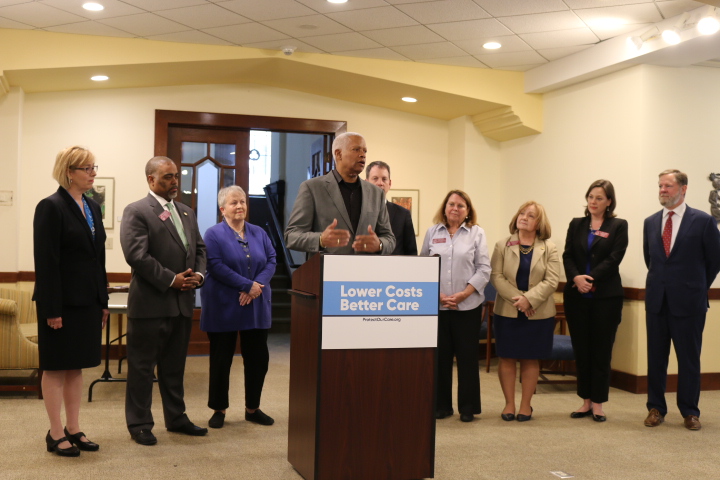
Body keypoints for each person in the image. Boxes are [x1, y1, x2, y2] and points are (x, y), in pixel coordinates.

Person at [120, 156, 207, 445]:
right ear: (151, 180)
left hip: (182, 304)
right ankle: (140, 424)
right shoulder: (137, 211)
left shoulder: (185, 212)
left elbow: (199, 249)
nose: (174, 182)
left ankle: (177, 418)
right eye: (168, 177)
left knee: (174, 368)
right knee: (142, 369)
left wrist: (199, 276)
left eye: (176, 177)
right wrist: (172, 279)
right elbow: (137, 256)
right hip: (150, 304)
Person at [33, 146, 109, 457]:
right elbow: (46, 262)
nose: (93, 173)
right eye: (86, 168)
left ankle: (73, 427)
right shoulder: (50, 207)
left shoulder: (92, 206)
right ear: (69, 172)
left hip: (87, 302)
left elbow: (99, 257)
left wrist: (102, 300)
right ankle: (54, 432)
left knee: (76, 367)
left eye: (94, 167)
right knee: (55, 367)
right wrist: (52, 309)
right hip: (60, 304)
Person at [643, 169, 720, 431]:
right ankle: (656, 408)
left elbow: (714, 261)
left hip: (689, 303)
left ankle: (690, 411)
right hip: (657, 301)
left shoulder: (703, 221)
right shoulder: (651, 222)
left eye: (668, 186)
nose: (662, 190)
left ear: (683, 189)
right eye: (660, 185)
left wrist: (696, 287)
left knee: (688, 359)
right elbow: (651, 260)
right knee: (656, 358)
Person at [200, 186, 277, 429]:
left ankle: (252, 408)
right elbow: (215, 265)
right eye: (234, 203)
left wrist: (256, 286)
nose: (240, 206)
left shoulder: (259, 233)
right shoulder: (213, 234)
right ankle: (219, 409)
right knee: (221, 359)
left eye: (243, 201)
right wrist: (247, 285)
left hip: (255, 304)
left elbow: (272, 260)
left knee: (257, 359)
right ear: (223, 209)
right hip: (224, 304)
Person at [420, 190, 490, 422]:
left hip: (467, 306)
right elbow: (423, 267)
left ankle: (468, 407)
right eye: (451, 204)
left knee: (467, 357)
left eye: (461, 206)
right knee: (440, 357)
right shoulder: (433, 232)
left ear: (467, 211)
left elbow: (484, 269)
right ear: (444, 207)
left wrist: (463, 294)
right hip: (438, 306)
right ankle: (441, 406)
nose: (455, 209)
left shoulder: (476, 233)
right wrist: (438, 295)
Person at [563, 180, 628, 422]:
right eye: (591, 196)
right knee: (582, 349)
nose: (593, 201)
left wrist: (589, 278)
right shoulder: (577, 224)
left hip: (605, 298)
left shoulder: (619, 225)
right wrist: (576, 278)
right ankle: (585, 401)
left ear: (609, 201)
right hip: (577, 297)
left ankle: (598, 403)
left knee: (601, 350)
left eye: (599, 198)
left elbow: (614, 257)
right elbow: (568, 255)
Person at [490, 201, 560, 422]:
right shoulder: (502, 245)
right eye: (522, 213)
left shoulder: (550, 248)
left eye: (531, 215)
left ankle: (526, 405)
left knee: (531, 358)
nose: (524, 217)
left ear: (539, 223)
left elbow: (552, 280)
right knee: (507, 357)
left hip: (538, 312)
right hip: (507, 310)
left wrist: (529, 300)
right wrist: (518, 300)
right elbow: (496, 276)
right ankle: (509, 404)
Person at [285, 132, 395, 255]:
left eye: (365, 151)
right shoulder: (312, 188)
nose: (362, 155)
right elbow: (291, 236)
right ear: (338, 154)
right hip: (327, 270)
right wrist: (321, 239)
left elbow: (389, 238)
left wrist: (379, 244)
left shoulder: (376, 193)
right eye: (356, 149)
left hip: (366, 271)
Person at [365, 161, 418, 255]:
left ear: (389, 183)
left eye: (384, 179)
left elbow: (411, 252)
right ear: (366, 183)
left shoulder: (403, 214)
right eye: (375, 178)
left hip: (394, 268)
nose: (380, 183)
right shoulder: (359, 212)